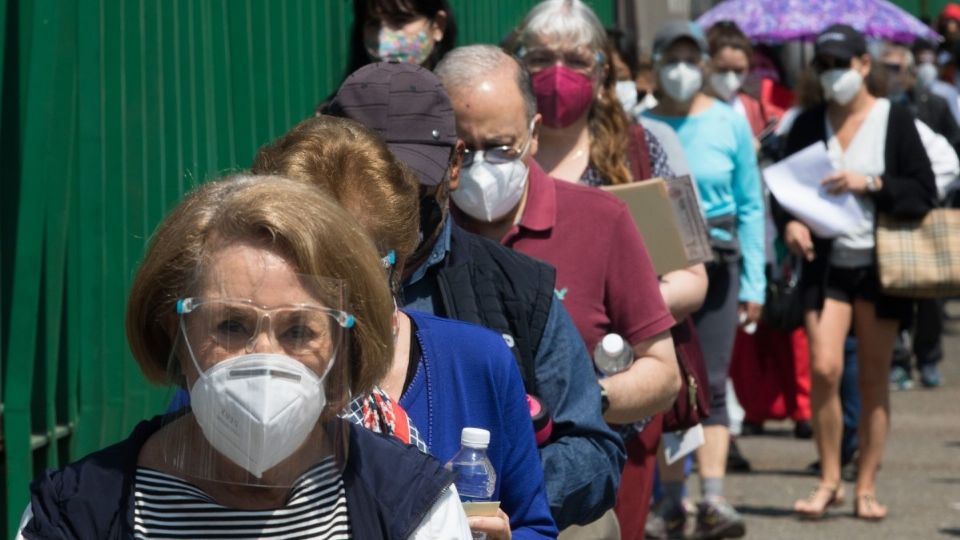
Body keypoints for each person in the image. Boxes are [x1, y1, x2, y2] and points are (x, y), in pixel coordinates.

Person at [17, 175, 472, 539]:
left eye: (299, 330)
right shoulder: (76, 513)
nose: (265, 358)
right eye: (231, 326)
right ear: (177, 331)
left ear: (341, 344)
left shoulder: (410, 507)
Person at [324, 61, 626, 531]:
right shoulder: (283, 297)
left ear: (454, 164)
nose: (393, 209)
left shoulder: (516, 293)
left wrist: (470, 498)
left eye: (409, 183)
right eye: (370, 190)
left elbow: (592, 449)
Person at [252, 114, 559, 539]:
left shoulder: (478, 361)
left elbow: (534, 525)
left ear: (396, 257)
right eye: (306, 266)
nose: (332, 290)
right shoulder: (237, 371)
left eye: (353, 263)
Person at [436, 42, 687, 540]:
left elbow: (663, 374)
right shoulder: (426, 231)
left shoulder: (601, 220)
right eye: (464, 150)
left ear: (533, 133)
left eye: (501, 147)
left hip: (565, 487)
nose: (482, 167)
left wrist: (577, 398)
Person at [773, 24, 936, 521]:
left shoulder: (896, 119)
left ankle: (865, 484)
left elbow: (922, 191)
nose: (833, 74)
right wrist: (791, 226)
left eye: (841, 63)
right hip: (826, 268)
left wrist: (869, 181)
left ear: (865, 65)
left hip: (881, 267)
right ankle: (828, 480)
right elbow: (782, 189)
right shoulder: (805, 122)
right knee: (824, 368)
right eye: (823, 65)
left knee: (872, 378)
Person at [642, 20, 766, 539]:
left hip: (720, 259)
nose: (683, 70)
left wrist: (756, 284)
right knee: (667, 379)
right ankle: (673, 502)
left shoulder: (729, 121)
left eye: (693, 60)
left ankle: (712, 500)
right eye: (673, 58)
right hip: (656, 264)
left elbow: (751, 203)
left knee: (711, 380)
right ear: (655, 64)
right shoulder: (638, 124)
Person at [705, 21, 783, 138]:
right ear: (706, 65)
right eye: (722, 70)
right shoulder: (691, 109)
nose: (730, 78)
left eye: (738, 70)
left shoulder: (757, 110)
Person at [348, 0, 455, 70]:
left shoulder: (462, 100)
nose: (384, 46)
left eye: (400, 20)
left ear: (438, 26)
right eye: (374, 23)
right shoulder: (343, 103)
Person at [911, 38, 960, 124]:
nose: (926, 69)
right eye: (921, 63)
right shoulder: (907, 92)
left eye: (930, 64)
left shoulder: (948, 91)